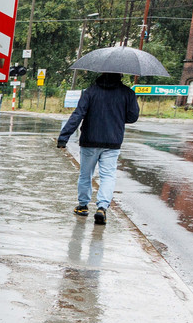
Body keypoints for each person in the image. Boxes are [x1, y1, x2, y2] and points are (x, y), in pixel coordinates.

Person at [56, 72, 140, 225]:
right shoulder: (128, 93)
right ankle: (102, 207)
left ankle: (82, 206)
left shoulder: (90, 92)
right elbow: (133, 117)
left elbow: (78, 114)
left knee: (85, 175)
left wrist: (64, 137)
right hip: (113, 141)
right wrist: (119, 115)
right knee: (108, 175)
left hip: (90, 140)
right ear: (120, 75)